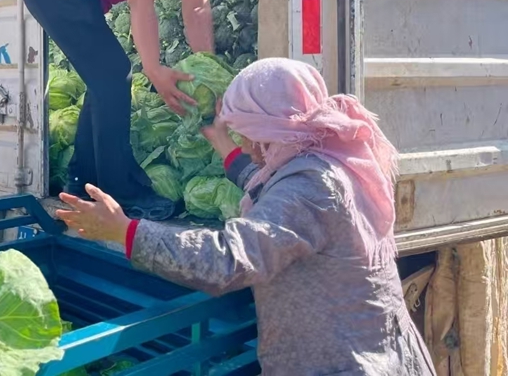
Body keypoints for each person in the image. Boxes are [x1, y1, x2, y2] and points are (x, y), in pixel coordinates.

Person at [56, 58, 436, 375]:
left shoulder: (311, 189)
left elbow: (228, 260)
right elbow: (267, 185)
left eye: (248, 132)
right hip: (371, 351)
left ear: (273, 125)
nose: (245, 142)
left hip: (346, 363)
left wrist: (127, 231)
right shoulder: (326, 156)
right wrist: (223, 147)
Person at [24, 0, 266, 221]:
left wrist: (210, 75)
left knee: (104, 78)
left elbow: (197, 11)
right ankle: (120, 191)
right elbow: (141, 1)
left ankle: (80, 180)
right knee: (113, 74)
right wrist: (153, 70)